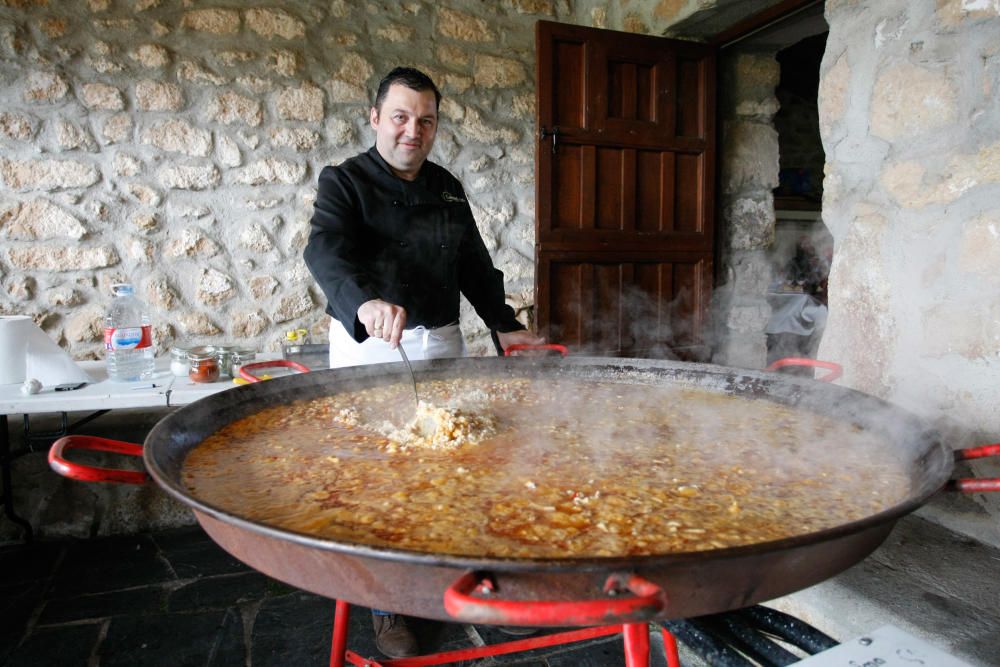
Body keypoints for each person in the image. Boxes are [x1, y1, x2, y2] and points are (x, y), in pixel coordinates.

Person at [303, 67, 543, 658]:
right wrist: (365, 302)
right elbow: (325, 250)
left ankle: (470, 583)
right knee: (386, 478)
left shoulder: (446, 185)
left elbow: (473, 265)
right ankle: (391, 609)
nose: (414, 130)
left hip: (442, 341)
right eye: (402, 117)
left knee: (463, 463)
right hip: (373, 343)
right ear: (376, 119)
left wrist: (506, 326)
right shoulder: (345, 182)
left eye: (426, 120)